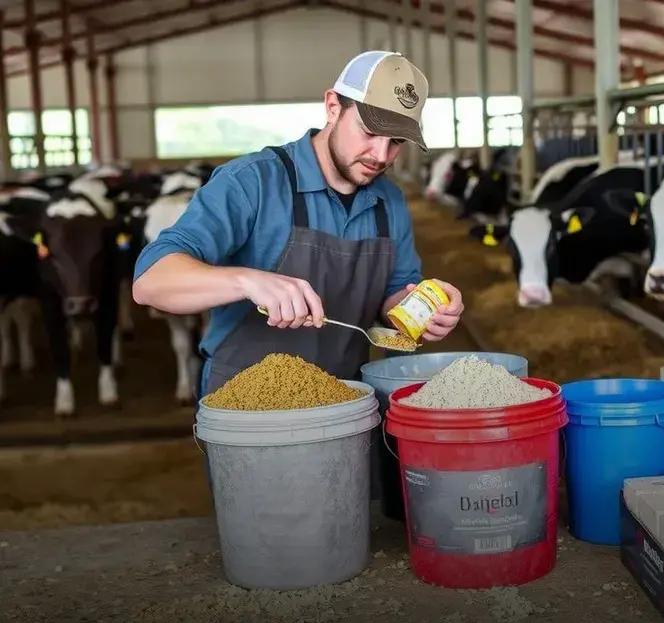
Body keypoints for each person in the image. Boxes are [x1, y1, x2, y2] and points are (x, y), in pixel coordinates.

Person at [133, 51, 462, 396]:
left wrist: (424, 312)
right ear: (333, 106)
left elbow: (396, 296)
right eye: (369, 132)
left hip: (346, 400)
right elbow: (150, 283)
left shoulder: (389, 201)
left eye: (396, 142)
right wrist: (246, 280)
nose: (381, 156)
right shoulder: (252, 182)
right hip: (245, 406)